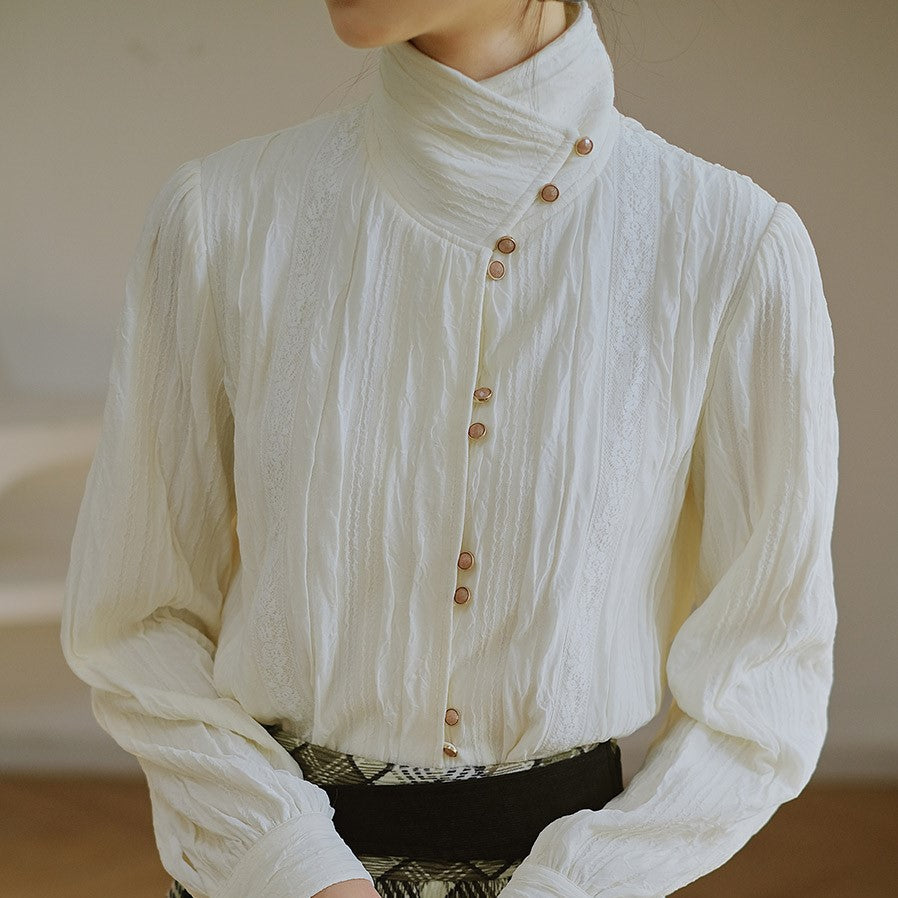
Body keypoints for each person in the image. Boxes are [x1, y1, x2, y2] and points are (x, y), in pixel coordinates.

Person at [59, 1, 840, 897]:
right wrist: (300, 873)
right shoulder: (221, 217)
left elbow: (762, 674)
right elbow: (138, 620)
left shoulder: (733, 248)